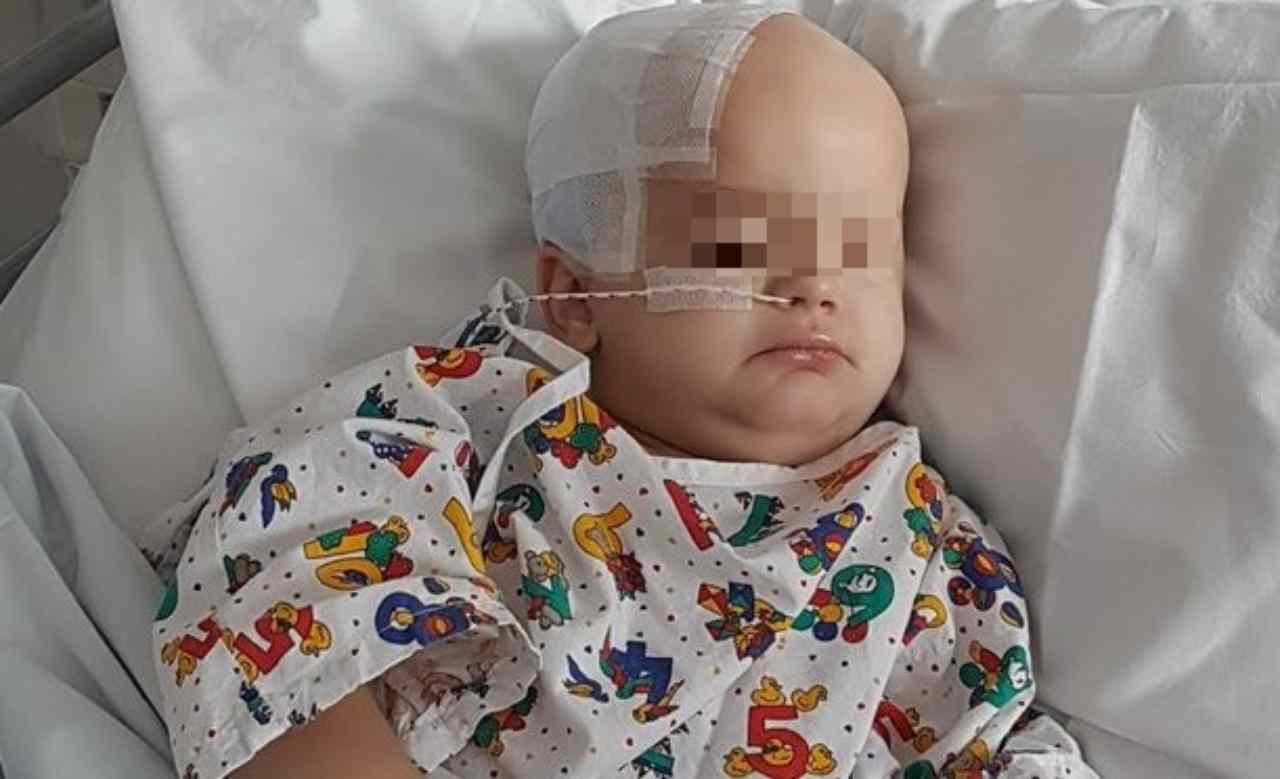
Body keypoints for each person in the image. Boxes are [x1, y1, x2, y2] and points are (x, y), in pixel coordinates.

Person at [139, 6, 1098, 778]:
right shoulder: (470, 426)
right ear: (576, 294)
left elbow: (993, 735)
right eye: (744, 240)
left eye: (861, 246)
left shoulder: (929, 548)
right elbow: (278, 575)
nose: (814, 283)